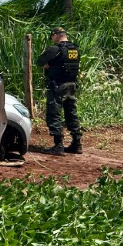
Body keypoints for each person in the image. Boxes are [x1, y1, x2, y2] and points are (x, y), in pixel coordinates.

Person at [37, 26, 82, 155]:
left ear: (56, 35)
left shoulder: (54, 49)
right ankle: (77, 143)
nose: (52, 39)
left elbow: (39, 61)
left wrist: (46, 64)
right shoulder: (75, 48)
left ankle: (58, 145)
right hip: (72, 85)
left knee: (54, 114)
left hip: (58, 85)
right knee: (71, 113)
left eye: (52, 37)